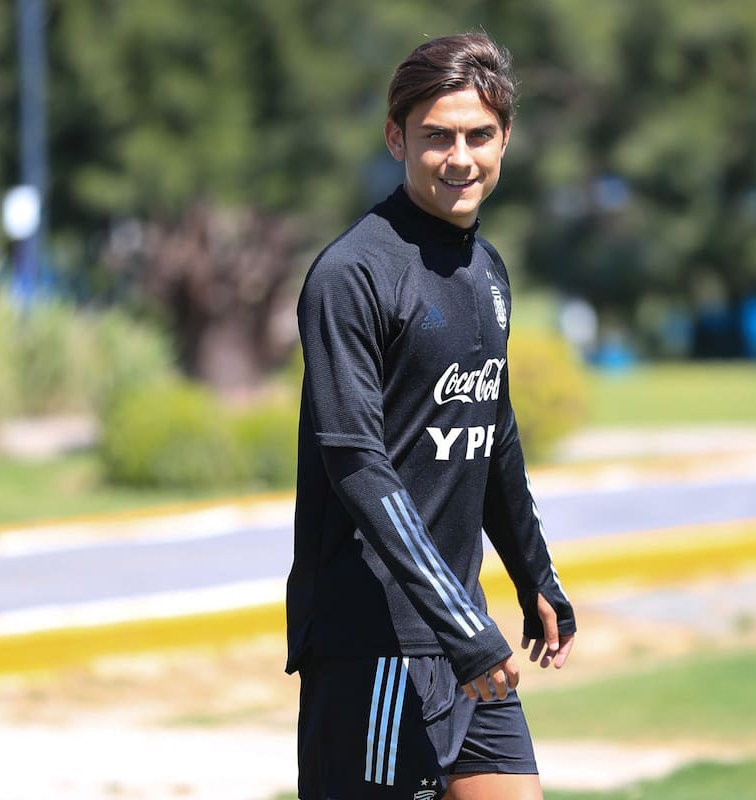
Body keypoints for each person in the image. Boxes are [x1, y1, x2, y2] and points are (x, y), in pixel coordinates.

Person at [287, 32, 577, 800]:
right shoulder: (352, 275)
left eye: (480, 135)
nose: (461, 157)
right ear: (396, 139)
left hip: (460, 634)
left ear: (506, 138)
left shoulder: (486, 269)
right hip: (374, 640)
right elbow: (357, 463)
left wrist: (532, 570)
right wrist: (463, 627)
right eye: (437, 137)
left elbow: (494, 434)